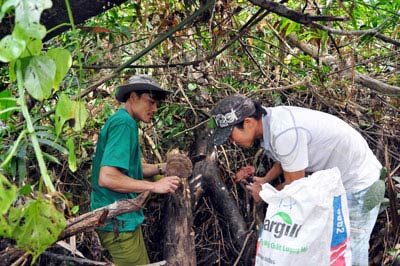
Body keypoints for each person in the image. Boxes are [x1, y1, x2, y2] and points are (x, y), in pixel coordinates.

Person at [211, 94, 382, 266]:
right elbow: (288, 159)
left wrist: (265, 195)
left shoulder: (284, 132)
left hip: (358, 183)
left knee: (349, 249)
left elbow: (296, 188)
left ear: (248, 123)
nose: (231, 142)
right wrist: (265, 180)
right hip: (340, 180)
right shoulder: (271, 121)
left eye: (230, 136)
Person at [90, 75, 181, 266]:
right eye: (150, 102)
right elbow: (107, 178)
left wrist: (162, 168)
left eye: (156, 104)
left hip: (122, 220)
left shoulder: (123, 120)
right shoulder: (124, 124)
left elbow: (132, 169)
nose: (155, 109)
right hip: (118, 224)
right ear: (133, 97)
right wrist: (155, 186)